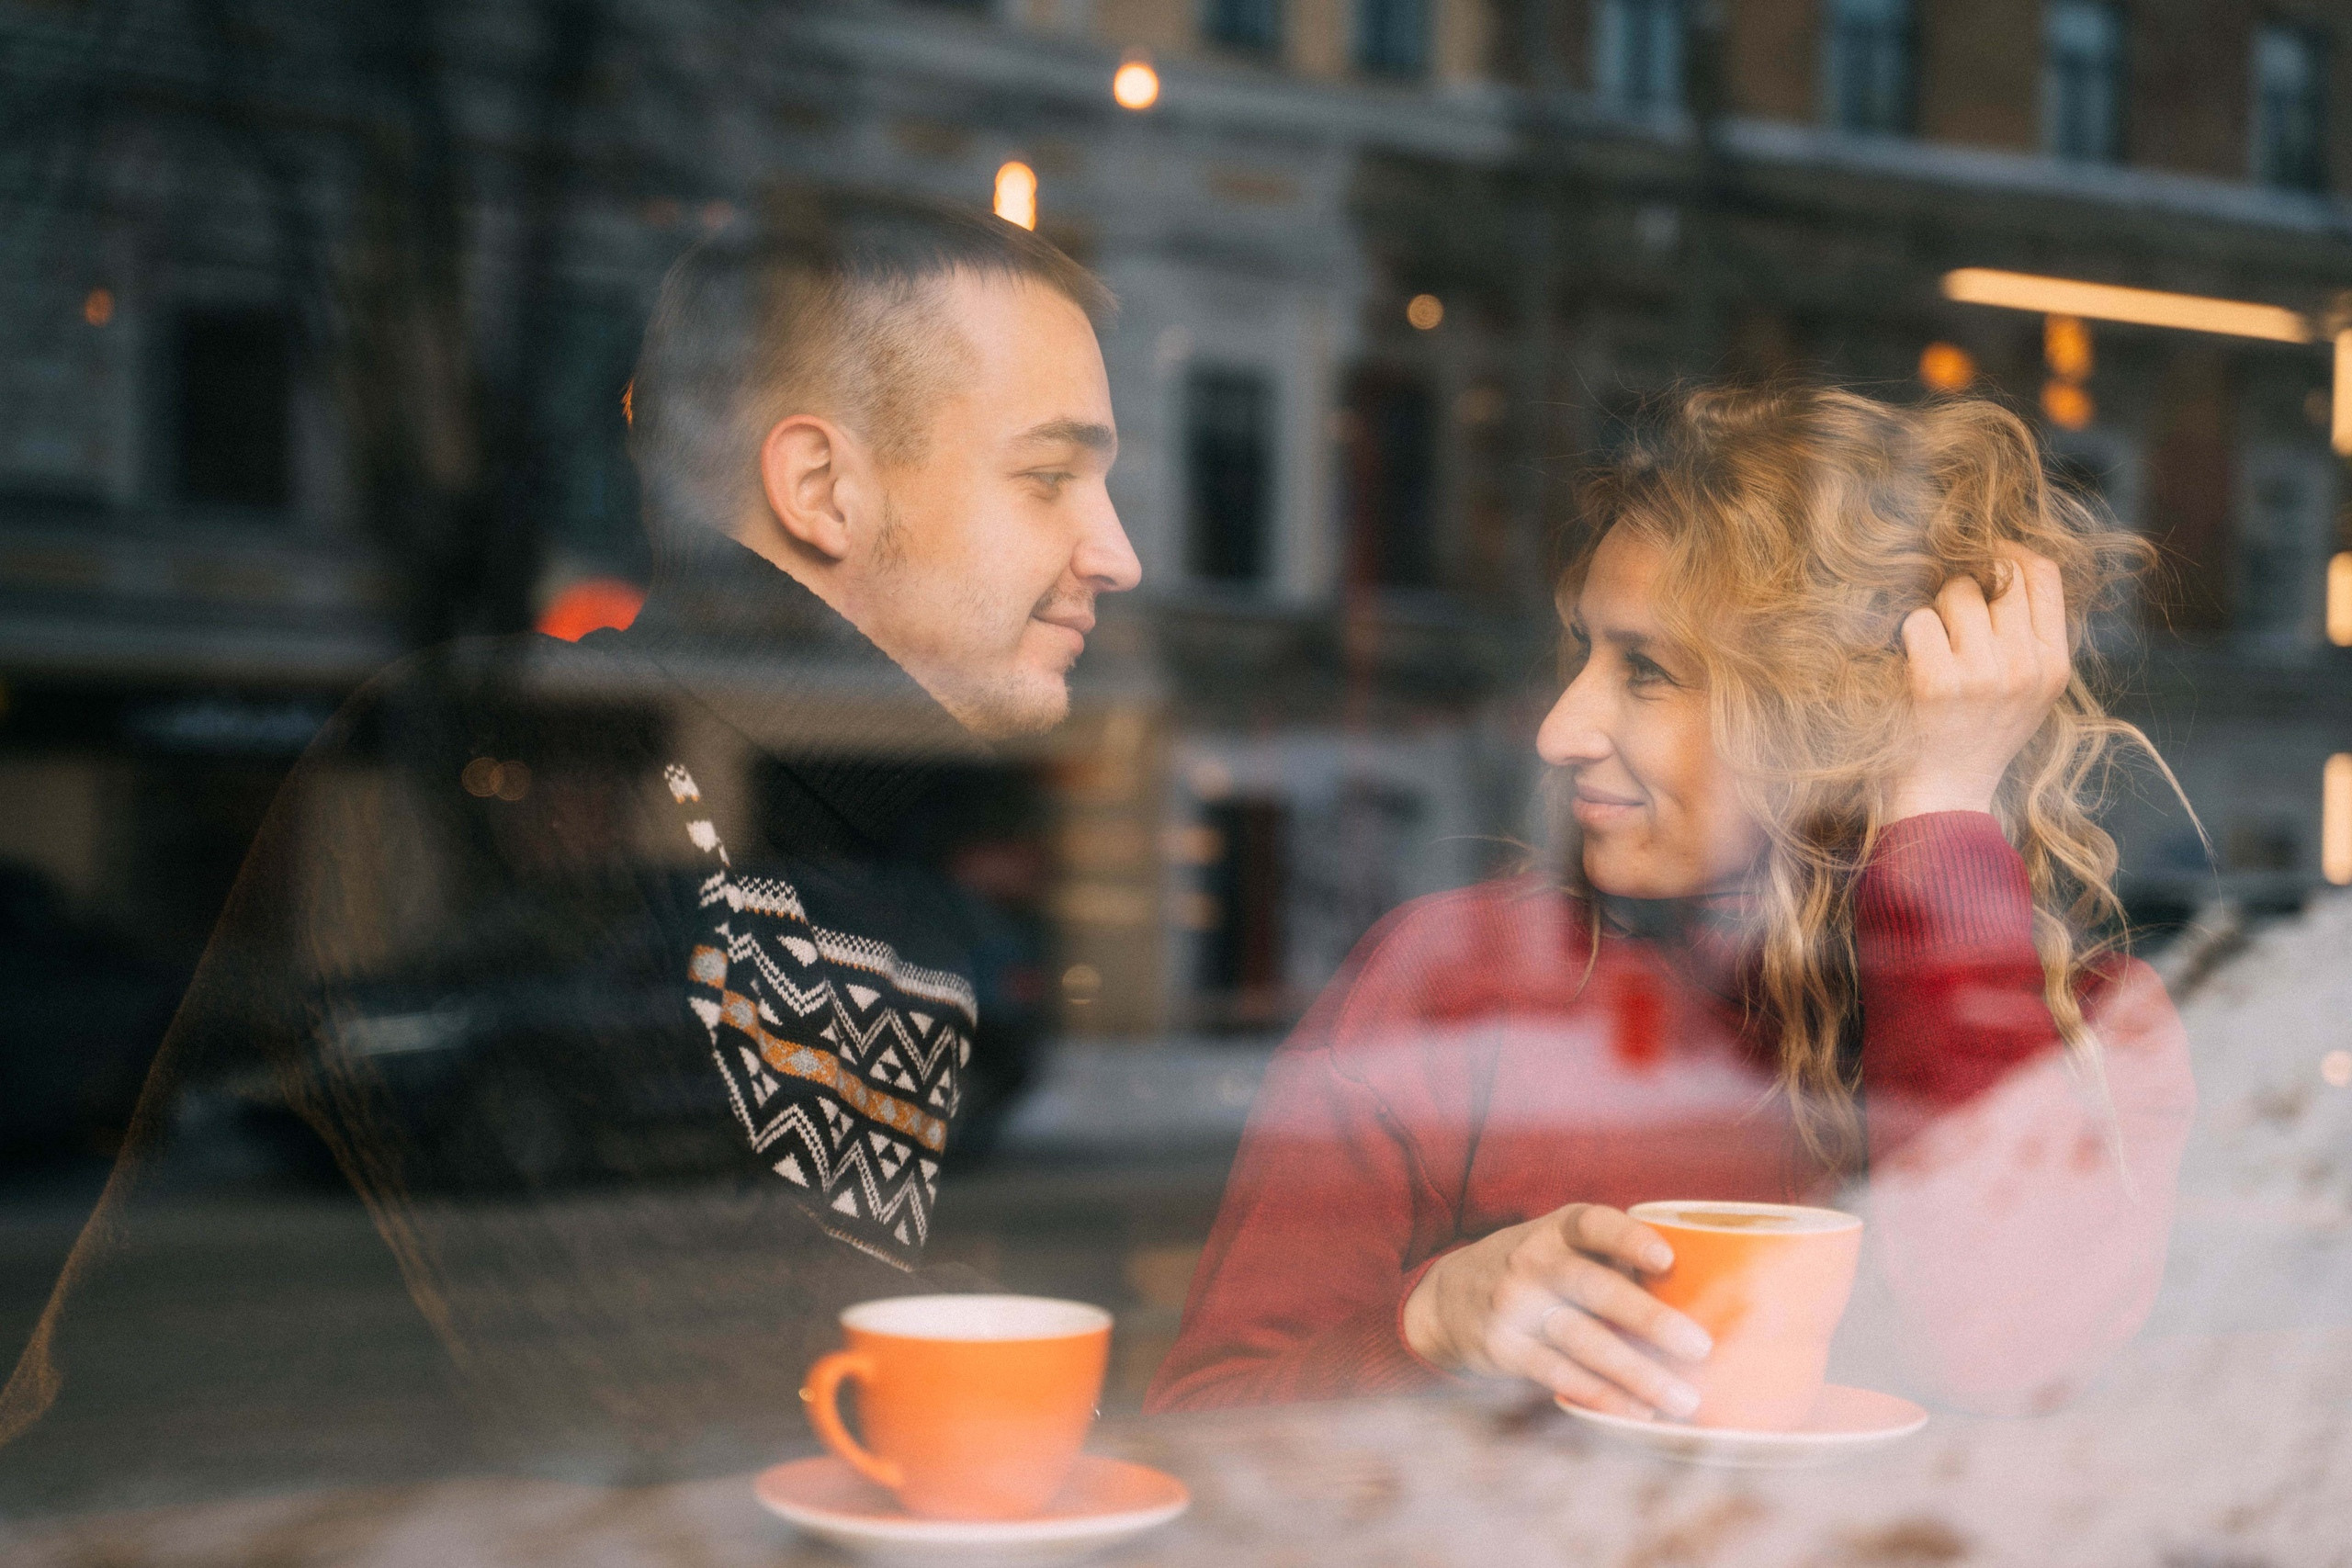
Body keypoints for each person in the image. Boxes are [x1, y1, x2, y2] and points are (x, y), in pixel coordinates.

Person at [2, 195, 1139, 1492]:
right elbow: (176, 1417)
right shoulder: (665, 840)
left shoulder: (852, 883)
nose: (1119, 553)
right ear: (823, 487)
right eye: (1051, 474)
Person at [1146, 386, 2196, 1420]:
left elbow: (1998, 1358)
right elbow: (1213, 1413)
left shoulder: (2092, 1021)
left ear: (1833, 711)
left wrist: (1939, 814)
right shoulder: (1453, 972)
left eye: (1646, 671)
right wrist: (1433, 1327)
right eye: (1584, 651)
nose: (1560, 728)